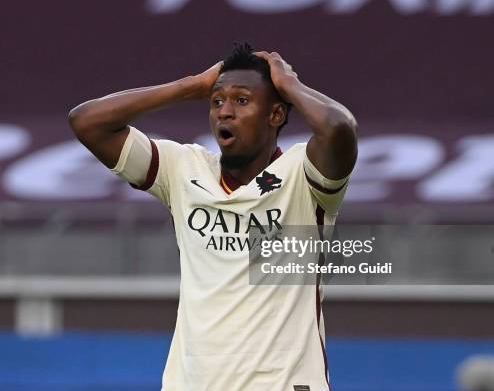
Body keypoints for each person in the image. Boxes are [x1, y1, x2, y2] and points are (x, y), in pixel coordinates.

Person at [69, 43, 357, 391]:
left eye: (242, 100)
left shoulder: (302, 174)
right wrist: (189, 86)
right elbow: (87, 122)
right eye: (217, 101)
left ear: (276, 114)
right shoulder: (183, 169)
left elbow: (339, 129)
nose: (224, 111)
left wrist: (290, 85)